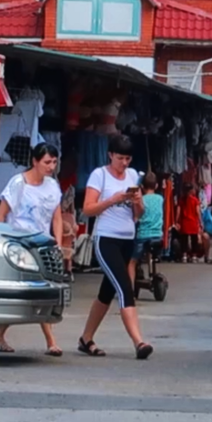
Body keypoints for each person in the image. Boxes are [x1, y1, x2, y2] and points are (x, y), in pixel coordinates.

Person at [78, 134, 154, 360]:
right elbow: (88, 209)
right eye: (120, 158)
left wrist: (138, 202)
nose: (124, 163)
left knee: (106, 292)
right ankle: (139, 341)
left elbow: (138, 215)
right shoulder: (99, 175)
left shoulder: (132, 175)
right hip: (106, 238)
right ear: (110, 155)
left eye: (128, 158)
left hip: (127, 238)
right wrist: (113, 199)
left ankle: (86, 338)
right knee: (124, 287)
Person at [0, 143, 64, 356]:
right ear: (35, 161)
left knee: (36, 293)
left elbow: (56, 218)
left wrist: (57, 244)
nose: (51, 167)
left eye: (54, 162)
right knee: (35, 292)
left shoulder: (52, 186)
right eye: (47, 162)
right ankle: (51, 341)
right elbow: (1, 215)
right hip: (20, 246)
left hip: (43, 244)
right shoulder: (18, 183)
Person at [130, 172, 164, 286]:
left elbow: (136, 217)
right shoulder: (160, 199)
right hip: (157, 235)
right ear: (157, 186)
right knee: (152, 255)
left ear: (142, 187)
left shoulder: (141, 200)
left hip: (142, 235)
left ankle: (129, 289)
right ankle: (152, 272)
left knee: (132, 261)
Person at [177, 183, 203, 263]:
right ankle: (194, 256)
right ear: (191, 190)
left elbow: (178, 212)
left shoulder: (181, 200)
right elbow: (198, 212)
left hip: (184, 222)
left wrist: (177, 221)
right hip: (193, 222)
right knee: (194, 239)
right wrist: (200, 222)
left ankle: (184, 255)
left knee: (184, 239)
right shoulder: (195, 200)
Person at [59, 186, 77, 280]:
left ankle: (68, 271)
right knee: (65, 258)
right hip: (65, 244)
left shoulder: (70, 217)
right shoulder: (64, 217)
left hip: (67, 244)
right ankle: (67, 272)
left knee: (66, 258)